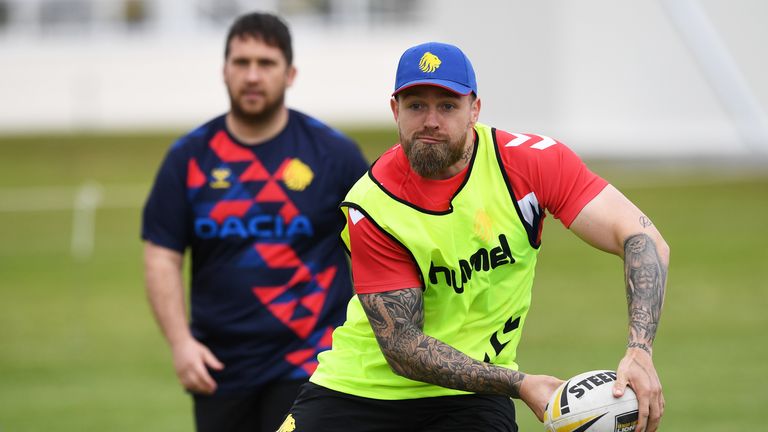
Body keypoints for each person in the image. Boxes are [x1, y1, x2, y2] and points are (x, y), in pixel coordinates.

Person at [280, 42, 669, 432]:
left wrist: (640, 351)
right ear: (396, 111)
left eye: (447, 106)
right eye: (416, 105)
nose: (430, 120)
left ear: (475, 110)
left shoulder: (530, 164)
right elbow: (403, 348)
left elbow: (641, 237)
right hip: (358, 390)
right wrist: (521, 384)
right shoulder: (373, 203)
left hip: (472, 398)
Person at [141, 12, 368, 432]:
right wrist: (180, 344)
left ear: (290, 73)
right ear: (223, 71)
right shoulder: (188, 159)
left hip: (312, 362)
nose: (252, 75)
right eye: (241, 62)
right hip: (218, 367)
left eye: (266, 63)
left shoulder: (334, 156)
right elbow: (161, 254)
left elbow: (380, 247)